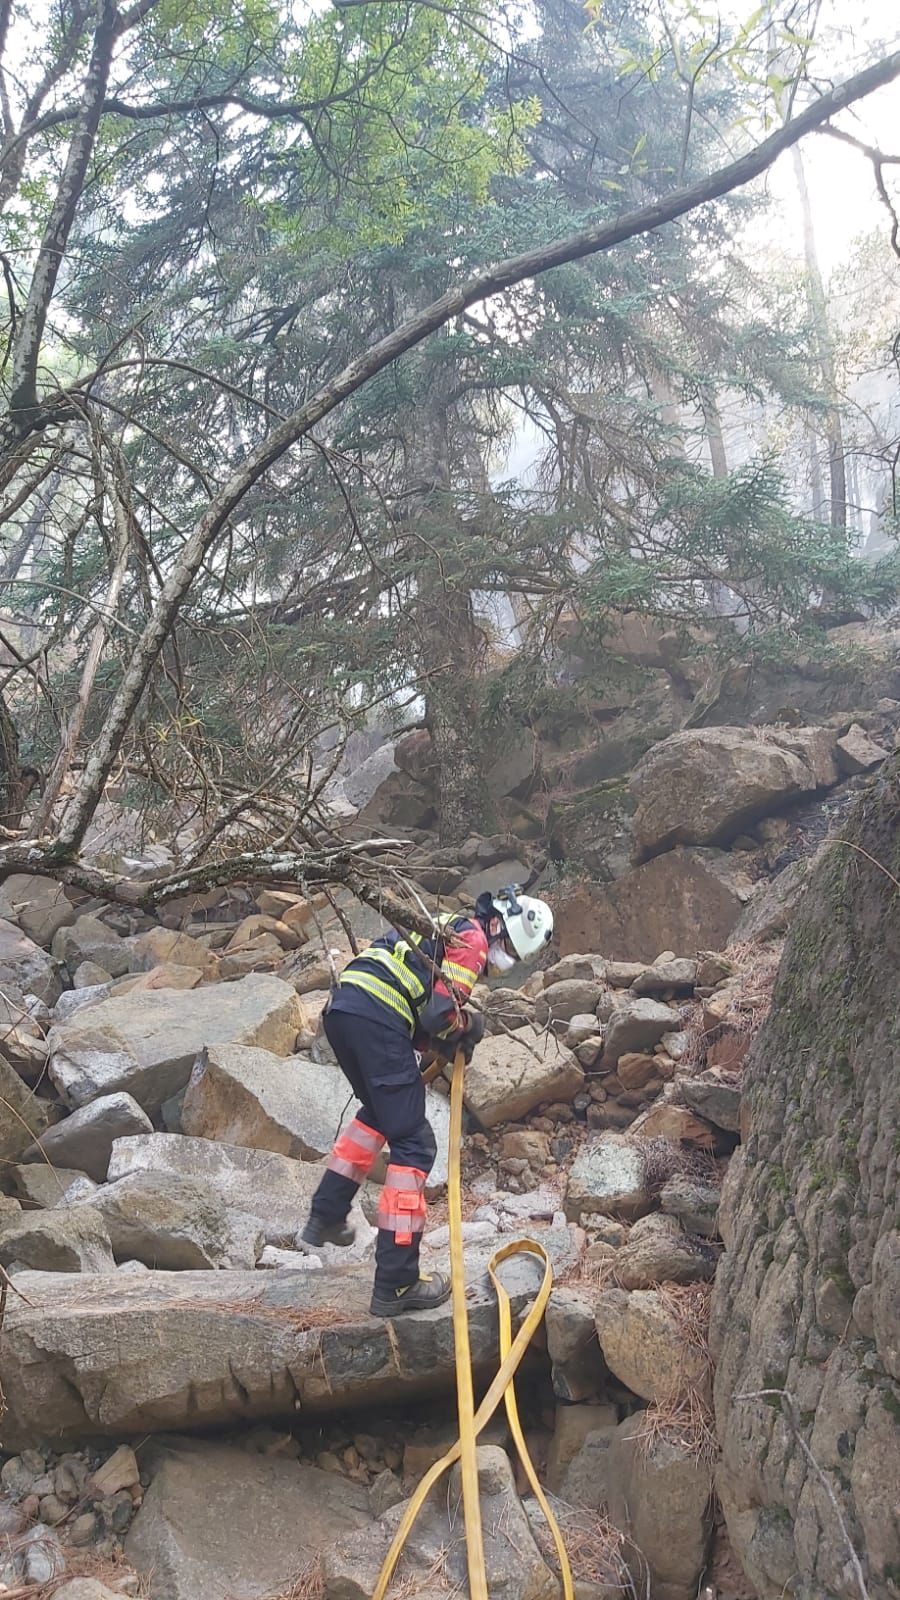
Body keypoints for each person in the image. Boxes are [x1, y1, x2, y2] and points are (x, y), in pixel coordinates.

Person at [300, 884, 554, 1317]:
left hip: (345, 1010)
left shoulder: (441, 927)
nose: (505, 961)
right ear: (497, 924)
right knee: (416, 1144)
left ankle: (326, 1214)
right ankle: (396, 1282)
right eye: (509, 949)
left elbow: (421, 1009)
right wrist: (467, 1025)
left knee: (381, 1115)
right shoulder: (472, 939)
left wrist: (445, 1038)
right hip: (378, 1013)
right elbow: (439, 1014)